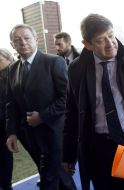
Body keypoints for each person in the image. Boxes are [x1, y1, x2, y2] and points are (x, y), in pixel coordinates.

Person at [62, 13, 124, 190]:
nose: (110, 44)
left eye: (111, 35)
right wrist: (68, 155)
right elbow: (72, 112)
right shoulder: (77, 69)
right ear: (87, 45)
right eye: (101, 40)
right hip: (99, 147)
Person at [5, 24, 76, 190]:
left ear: (36, 40)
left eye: (27, 38)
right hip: (30, 135)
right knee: (57, 175)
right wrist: (12, 133)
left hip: (54, 133)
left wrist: (43, 116)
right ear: (12, 45)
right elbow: (11, 104)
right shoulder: (12, 70)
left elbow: (67, 98)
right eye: (18, 40)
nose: (23, 42)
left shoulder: (54, 62)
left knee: (49, 178)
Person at [0, 48, 15, 190]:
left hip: (16, 122)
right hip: (2, 124)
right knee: (3, 156)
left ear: (9, 59)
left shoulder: (16, 73)